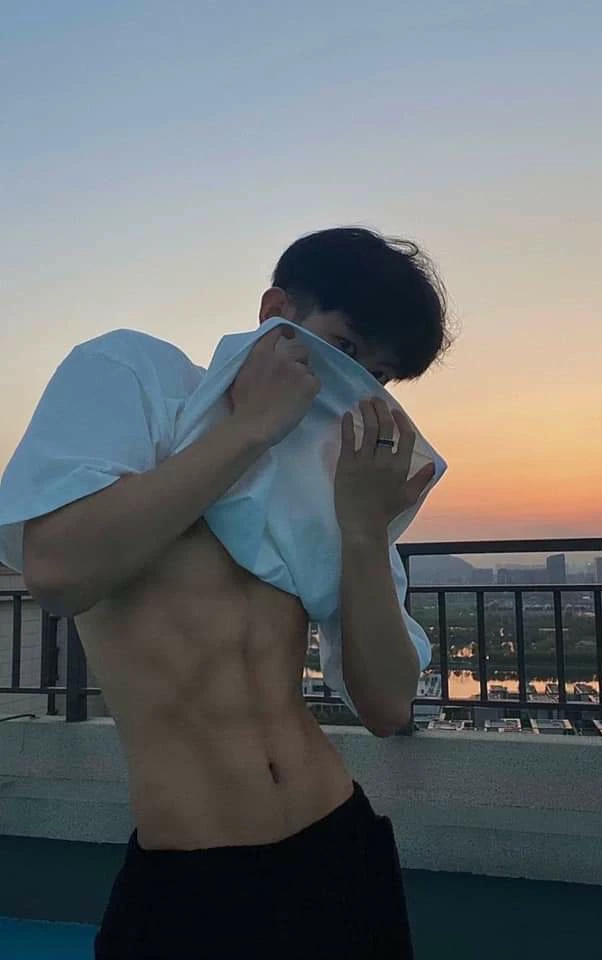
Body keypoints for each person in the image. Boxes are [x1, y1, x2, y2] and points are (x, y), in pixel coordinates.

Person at [20, 226, 454, 958]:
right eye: (344, 349)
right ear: (276, 312)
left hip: (339, 847)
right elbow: (58, 570)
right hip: (191, 877)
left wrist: (361, 528)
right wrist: (252, 427)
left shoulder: (329, 478)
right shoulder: (139, 379)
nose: (354, 385)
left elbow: (387, 707)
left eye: (376, 375)